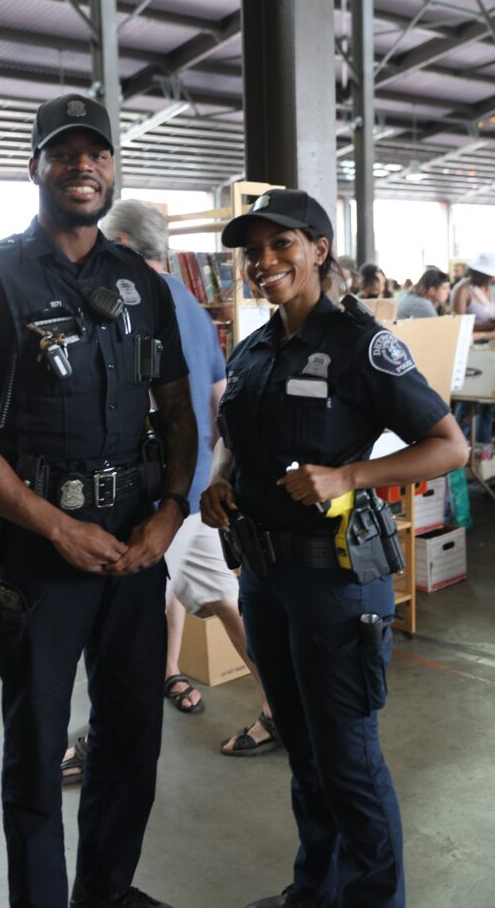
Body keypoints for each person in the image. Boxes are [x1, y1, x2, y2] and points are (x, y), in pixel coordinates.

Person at [0, 94, 197, 908]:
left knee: (130, 743)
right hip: (40, 560)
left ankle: (105, 893)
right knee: (39, 752)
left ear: (113, 167)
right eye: (63, 152)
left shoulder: (141, 284)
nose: (83, 165)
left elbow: (180, 412)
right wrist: (54, 526)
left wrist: (174, 506)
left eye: (97, 153)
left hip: (135, 553)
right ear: (35, 167)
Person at [200, 188, 468, 908]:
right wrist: (220, 483)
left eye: (280, 245)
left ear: (318, 249)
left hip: (336, 582)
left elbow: (448, 445)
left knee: (346, 760)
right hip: (262, 577)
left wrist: (350, 474)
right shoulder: (254, 346)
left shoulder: (360, 345)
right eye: (252, 251)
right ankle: (313, 892)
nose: (263, 262)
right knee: (302, 750)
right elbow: (238, 443)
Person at [101, 199, 278, 751]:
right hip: (197, 489)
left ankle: (109, 740)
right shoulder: (191, 305)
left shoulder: (133, 306)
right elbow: (218, 396)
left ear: (124, 246)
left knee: (128, 620)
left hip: (159, 496)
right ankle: (276, 708)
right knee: (219, 598)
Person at [451, 252, 495, 443]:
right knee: (466, 403)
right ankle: (459, 450)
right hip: (471, 349)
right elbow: (459, 324)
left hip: (489, 348)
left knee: (487, 404)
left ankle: (481, 454)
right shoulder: (463, 290)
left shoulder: (489, 289)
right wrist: (487, 327)